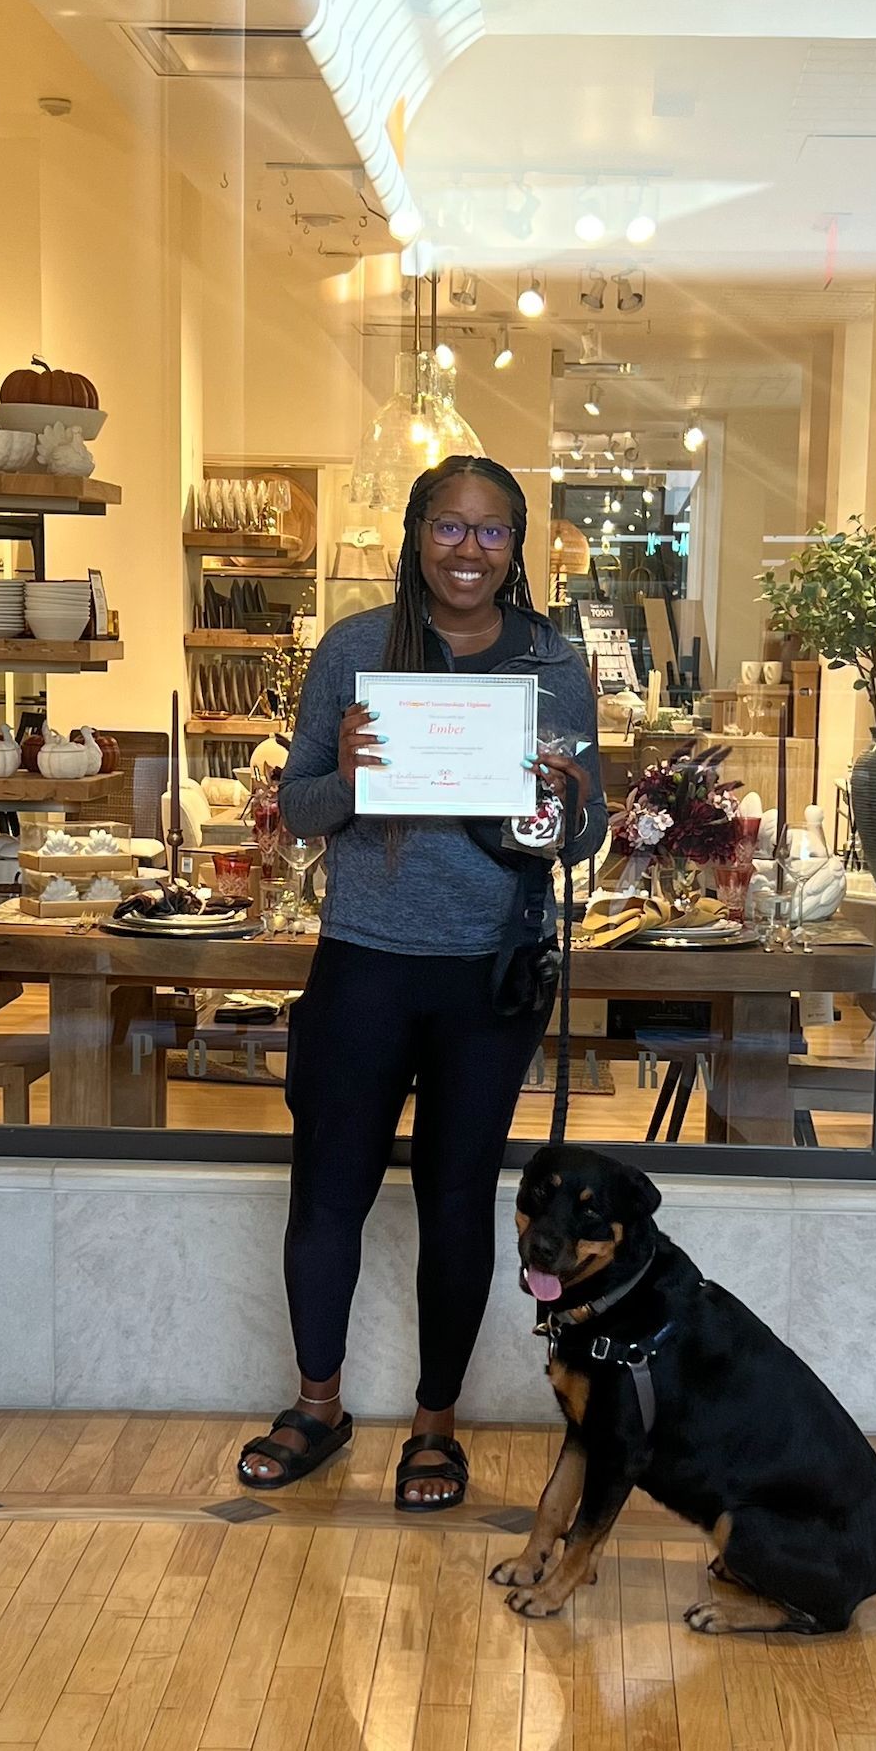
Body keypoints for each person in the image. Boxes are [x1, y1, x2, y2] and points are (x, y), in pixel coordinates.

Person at [236, 455, 607, 1509]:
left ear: (515, 548)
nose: (468, 551)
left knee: (454, 1205)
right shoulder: (357, 649)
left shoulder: (550, 659)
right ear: (414, 534)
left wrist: (569, 798)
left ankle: (434, 1427)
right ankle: (317, 1408)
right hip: (364, 963)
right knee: (328, 1196)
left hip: (487, 973)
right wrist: (348, 777)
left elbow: (580, 835)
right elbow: (299, 808)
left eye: (491, 533)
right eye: (450, 527)